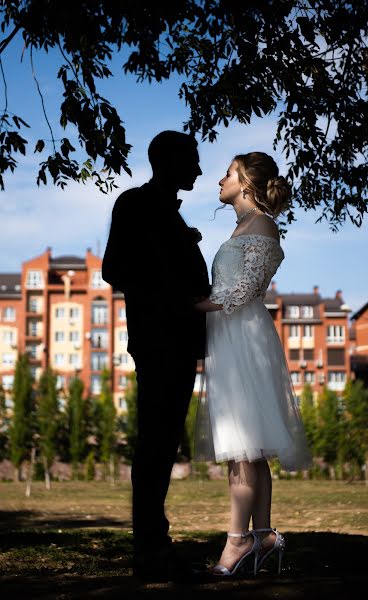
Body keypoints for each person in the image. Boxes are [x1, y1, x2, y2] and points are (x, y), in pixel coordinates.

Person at [194, 151, 312, 578]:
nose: (218, 181)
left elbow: (244, 291)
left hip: (244, 337)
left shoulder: (262, 224)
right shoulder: (242, 226)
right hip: (230, 335)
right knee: (250, 448)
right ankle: (262, 534)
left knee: (242, 445)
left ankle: (236, 542)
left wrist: (191, 305)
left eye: (227, 174)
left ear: (245, 183)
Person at [102, 131, 211, 581]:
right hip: (156, 341)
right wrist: (178, 297)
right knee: (154, 446)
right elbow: (114, 269)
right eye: (193, 161)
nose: (200, 171)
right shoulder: (134, 203)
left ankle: (155, 542)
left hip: (181, 345)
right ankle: (149, 548)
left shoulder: (172, 215)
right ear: (167, 161)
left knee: (165, 444)